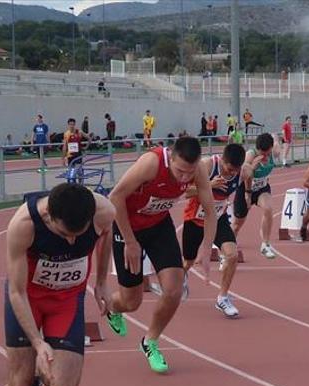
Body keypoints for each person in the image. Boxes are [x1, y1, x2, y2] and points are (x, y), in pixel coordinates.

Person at [0, 183, 115, 386]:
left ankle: (38, 373)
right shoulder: (23, 225)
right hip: (28, 300)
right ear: (49, 216)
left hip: (67, 300)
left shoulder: (105, 211)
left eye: (79, 234)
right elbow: (16, 292)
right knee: (19, 383)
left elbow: (106, 235)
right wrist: (37, 342)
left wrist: (101, 281)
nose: (72, 242)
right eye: (64, 234)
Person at [106, 137, 217, 373]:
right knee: (131, 301)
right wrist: (130, 241)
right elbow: (115, 197)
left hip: (158, 226)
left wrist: (207, 246)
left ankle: (150, 341)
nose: (185, 178)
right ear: (171, 157)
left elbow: (209, 208)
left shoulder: (197, 170)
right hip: (128, 226)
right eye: (179, 171)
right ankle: (112, 308)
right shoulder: (151, 163)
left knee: (174, 289)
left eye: (189, 173)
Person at [181, 143, 246, 318]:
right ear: (222, 160)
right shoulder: (206, 165)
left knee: (232, 255)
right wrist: (209, 185)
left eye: (236, 170)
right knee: (188, 262)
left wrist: (246, 197)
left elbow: (247, 185)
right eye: (229, 169)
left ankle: (222, 298)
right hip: (195, 218)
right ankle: (183, 277)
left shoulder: (243, 171)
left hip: (218, 219)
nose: (232, 173)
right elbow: (186, 192)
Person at [232, 133, 279, 259]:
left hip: (262, 188)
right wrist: (252, 167)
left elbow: (276, 141)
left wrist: (275, 137)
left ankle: (265, 244)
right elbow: (243, 175)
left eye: (267, 153)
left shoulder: (274, 151)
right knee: (237, 224)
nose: (264, 156)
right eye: (261, 153)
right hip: (245, 189)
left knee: (268, 208)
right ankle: (226, 250)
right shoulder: (250, 155)